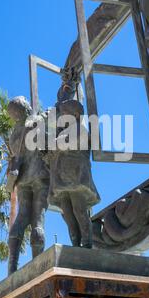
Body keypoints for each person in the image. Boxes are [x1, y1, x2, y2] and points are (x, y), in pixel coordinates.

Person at [46, 98, 100, 248]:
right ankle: (75, 244)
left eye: (64, 114)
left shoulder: (79, 130)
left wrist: (53, 144)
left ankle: (87, 243)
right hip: (62, 179)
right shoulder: (62, 133)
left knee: (79, 210)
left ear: (75, 115)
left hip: (76, 177)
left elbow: (62, 144)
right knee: (68, 214)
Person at [7, 96, 50, 275]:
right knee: (38, 220)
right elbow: (48, 143)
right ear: (25, 107)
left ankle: (12, 269)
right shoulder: (36, 122)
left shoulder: (13, 135)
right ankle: (37, 268)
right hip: (39, 176)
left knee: (21, 218)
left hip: (22, 180)